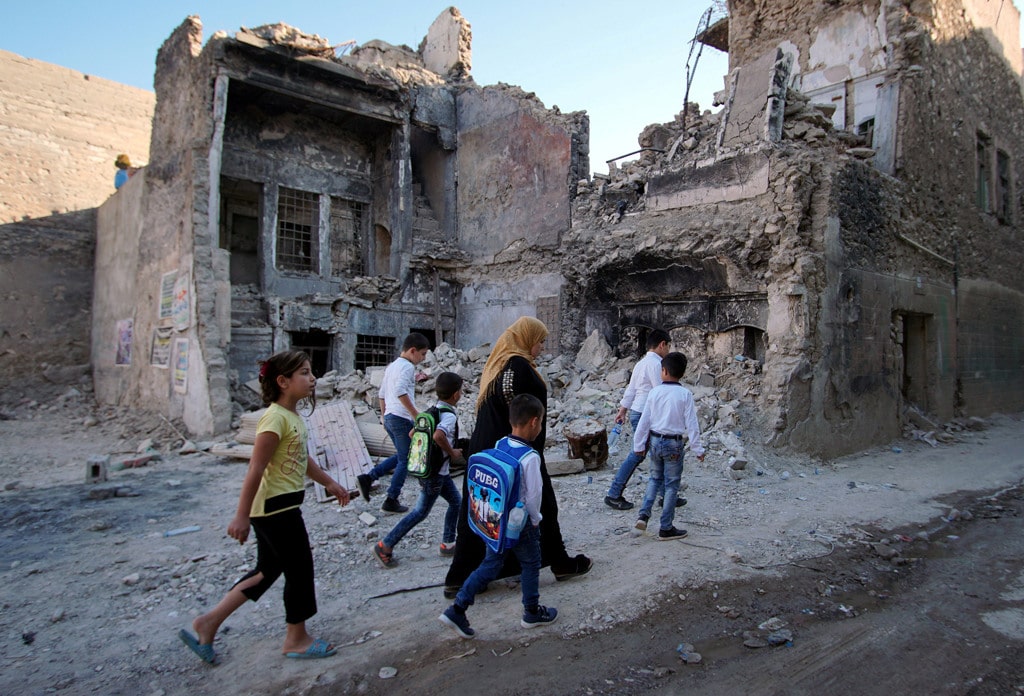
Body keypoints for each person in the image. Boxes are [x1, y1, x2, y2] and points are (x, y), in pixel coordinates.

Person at [178, 350, 351, 664]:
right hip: (274, 509)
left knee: (267, 571)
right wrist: (241, 515)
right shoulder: (274, 419)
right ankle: (296, 638)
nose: (312, 379)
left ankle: (209, 623)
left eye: (311, 372)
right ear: (283, 381)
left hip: (282, 505)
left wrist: (330, 483)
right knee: (299, 569)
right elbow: (256, 468)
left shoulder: (292, 417)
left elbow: (301, 459)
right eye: (304, 373)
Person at [443, 316, 592, 599]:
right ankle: (559, 562)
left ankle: (460, 576)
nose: (541, 347)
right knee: (541, 504)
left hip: (486, 450)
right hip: (514, 451)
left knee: (480, 508)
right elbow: (522, 412)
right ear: (526, 339)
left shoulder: (498, 363)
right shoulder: (519, 367)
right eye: (540, 341)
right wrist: (530, 448)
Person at [439, 394, 557, 638]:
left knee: (490, 564)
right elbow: (533, 496)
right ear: (534, 422)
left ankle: (457, 608)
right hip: (521, 523)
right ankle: (532, 612)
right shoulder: (530, 457)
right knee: (531, 563)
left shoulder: (501, 442)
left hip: (496, 521)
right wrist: (536, 520)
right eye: (541, 422)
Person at [373, 371, 464, 567]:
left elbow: (412, 433)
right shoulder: (448, 416)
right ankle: (385, 545)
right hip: (436, 474)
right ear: (456, 394)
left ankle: (448, 543)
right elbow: (438, 436)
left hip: (436, 471)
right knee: (420, 512)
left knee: (456, 502)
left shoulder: (431, 411)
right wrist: (452, 452)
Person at [605, 329, 686, 511]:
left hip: (637, 410)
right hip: (647, 414)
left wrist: (623, 410)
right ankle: (614, 493)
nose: (668, 350)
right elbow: (662, 392)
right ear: (662, 344)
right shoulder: (657, 365)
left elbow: (631, 389)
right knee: (639, 453)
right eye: (668, 346)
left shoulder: (641, 363)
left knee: (655, 453)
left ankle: (666, 495)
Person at [632, 351, 705, 540]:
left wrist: (638, 444)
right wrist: (697, 449)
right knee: (671, 485)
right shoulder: (685, 394)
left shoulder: (654, 392)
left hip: (655, 441)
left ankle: (643, 515)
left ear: (663, 371)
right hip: (674, 443)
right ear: (682, 373)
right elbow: (692, 424)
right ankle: (666, 527)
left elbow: (645, 421)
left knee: (654, 479)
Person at [356, 333, 431, 514]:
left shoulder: (392, 366)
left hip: (390, 417)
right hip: (401, 418)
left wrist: (384, 417)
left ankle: (368, 478)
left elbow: (381, 394)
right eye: (422, 354)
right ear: (412, 351)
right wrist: (415, 415)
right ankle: (391, 499)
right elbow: (400, 391)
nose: (423, 358)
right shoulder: (407, 367)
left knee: (402, 456)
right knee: (406, 459)